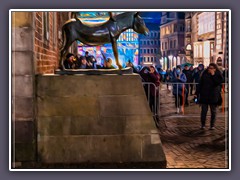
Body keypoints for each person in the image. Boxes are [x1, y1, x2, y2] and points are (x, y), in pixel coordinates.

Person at [195, 63, 224, 130]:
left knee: (213, 111)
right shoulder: (204, 74)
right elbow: (200, 84)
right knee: (204, 111)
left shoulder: (218, 75)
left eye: (211, 68)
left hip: (213, 96)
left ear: (215, 69)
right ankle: (203, 124)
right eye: (209, 68)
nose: (210, 69)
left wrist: (213, 75)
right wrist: (196, 93)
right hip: (204, 95)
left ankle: (212, 125)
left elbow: (218, 82)